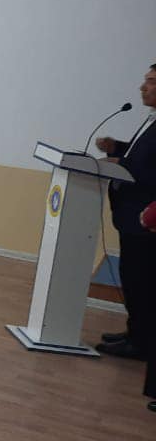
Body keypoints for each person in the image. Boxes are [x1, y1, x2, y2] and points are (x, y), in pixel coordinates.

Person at [96, 64, 156, 367]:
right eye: (145, 81)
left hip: (146, 218)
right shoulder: (151, 119)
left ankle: (140, 342)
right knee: (132, 279)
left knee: (140, 282)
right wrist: (116, 148)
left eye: (151, 82)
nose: (143, 87)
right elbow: (140, 156)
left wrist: (123, 163)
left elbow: (149, 171)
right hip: (130, 214)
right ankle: (135, 333)